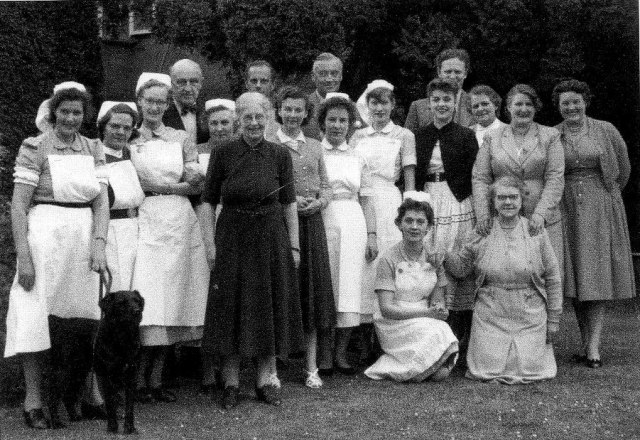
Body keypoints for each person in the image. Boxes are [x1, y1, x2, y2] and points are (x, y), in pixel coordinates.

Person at [5, 85, 108, 429]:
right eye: (64, 111)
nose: (70, 118)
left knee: (84, 319)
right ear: (52, 113)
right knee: (35, 315)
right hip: (45, 238)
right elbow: (19, 206)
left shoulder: (93, 148)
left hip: (82, 241)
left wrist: (99, 243)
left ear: (85, 115)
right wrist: (25, 257)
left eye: (77, 112)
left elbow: (101, 202)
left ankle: (78, 396)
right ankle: (33, 400)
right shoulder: (35, 146)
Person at [200, 92, 304, 409]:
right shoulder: (223, 154)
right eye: (248, 117)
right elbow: (207, 203)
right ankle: (231, 383)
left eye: (260, 117)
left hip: (270, 237)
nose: (254, 123)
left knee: (266, 305)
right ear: (238, 120)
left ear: (268, 118)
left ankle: (264, 380)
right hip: (231, 236)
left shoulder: (280, 155)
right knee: (231, 307)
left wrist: (294, 244)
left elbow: (289, 205)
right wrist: (209, 244)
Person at [129, 73, 209, 403]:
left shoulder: (180, 137)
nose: (155, 107)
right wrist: (154, 190)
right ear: (139, 103)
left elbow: (196, 183)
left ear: (167, 104)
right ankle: (137, 381)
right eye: (150, 101)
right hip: (144, 219)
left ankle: (158, 379)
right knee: (149, 297)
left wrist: (161, 188)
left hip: (178, 218)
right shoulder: (128, 135)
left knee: (175, 296)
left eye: (161, 102)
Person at [445, 176, 562, 384]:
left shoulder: (536, 231)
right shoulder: (482, 231)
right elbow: (461, 269)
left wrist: (553, 321)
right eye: (501, 198)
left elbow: (553, 278)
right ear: (493, 202)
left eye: (513, 197)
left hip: (529, 313)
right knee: (488, 368)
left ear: (521, 200)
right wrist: (442, 254)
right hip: (491, 313)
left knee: (527, 369)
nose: (508, 202)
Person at [552, 79, 636, 368]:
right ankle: (585, 341)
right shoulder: (553, 134)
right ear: (559, 107)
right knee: (576, 274)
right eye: (566, 103)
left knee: (596, 273)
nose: (571, 106)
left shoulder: (605, 129)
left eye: (576, 101)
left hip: (600, 205)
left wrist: (607, 197)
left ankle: (594, 348)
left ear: (585, 101)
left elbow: (623, 167)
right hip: (565, 206)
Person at [413, 78, 478, 368]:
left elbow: (476, 175)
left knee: (455, 262)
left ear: (455, 103)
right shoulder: (419, 135)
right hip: (428, 197)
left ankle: (457, 338)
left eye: (447, 100)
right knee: (428, 258)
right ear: (429, 103)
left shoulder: (466, 135)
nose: (441, 104)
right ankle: (429, 337)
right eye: (436, 99)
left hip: (457, 200)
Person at [351, 79, 416, 361]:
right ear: (367, 106)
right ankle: (363, 336)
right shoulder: (357, 137)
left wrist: (409, 206)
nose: (379, 108)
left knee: (388, 267)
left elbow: (409, 175)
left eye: (385, 103)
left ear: (393, 106)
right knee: (364, 267)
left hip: (390, 200)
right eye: (374, 103)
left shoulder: (404, 135)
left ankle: (390, 336)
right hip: (361, 202)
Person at [274, 86, 335, 388]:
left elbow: (327, 185)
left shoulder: (314, 145)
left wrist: (319, 202)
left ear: (306, 113)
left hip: (311, 226)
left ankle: (311, 367)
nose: (293, 115)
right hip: (280, 225)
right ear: (279, 111)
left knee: (310, 294)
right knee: (280, 292)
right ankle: (271, 367)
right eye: (288, 109)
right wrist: (291, 201)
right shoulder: (271, 143)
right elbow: (268, 186)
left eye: (299, 110)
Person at [364, 196, 458, 382]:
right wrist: (426, 313)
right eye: (409, 221)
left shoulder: (433, 257)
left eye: (420, 222)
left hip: (424, 316)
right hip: (394, 320)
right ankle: (405, 365)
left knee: (442, 328)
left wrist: (438, 308)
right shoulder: (388, 259)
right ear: (399, 224)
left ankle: (426, 366)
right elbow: (386, 309)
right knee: (435, 332)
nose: (414, 227)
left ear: (429, 227)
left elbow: (437, 302)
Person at [472, 84, 565, 269]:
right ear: (508, 108)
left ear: (535, 107)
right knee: (504, 271)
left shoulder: (550, 135)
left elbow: (555, 177)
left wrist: (541, 213)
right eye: (518, 104)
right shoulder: (492, 137)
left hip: (540, 217)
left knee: (545, 272)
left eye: (529, 104)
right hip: (502, 215)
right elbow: (480, 178)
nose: (523, 109)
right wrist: (483, 214)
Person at [319, 93, 378, 375]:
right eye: (332, 119)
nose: (337, 125)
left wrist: (373, 234)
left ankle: (341, 353)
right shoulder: (314, 152)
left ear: (350, 124)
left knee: (350, 287)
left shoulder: (358, 156)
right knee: (326, 284)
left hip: (353, 220)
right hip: (323, 219)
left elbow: (366, 198)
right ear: (322, 122)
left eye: (343, 120)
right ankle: (323, 354)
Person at [196, 98, 237, 394]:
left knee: (228, 294)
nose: (220, 128)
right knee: (205, 292)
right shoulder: (197, 152)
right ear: (206, 125)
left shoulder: (240, 151)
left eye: (225, 122)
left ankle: (229, 365)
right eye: (214, 123)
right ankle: (206, 365)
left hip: (234, 220)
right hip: (204, 219)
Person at [97, 101, 145, 291]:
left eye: (126, 128)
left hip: (135, 229)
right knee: (115, 286)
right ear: (103, 126)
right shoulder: (95, 156)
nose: (120, 132)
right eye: (114, 126)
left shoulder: (130, 155)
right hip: (110, 231)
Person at [405, 48, 474, 133]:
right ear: (439, 72)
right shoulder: (418, 107)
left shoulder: (476, 106)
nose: (452, 76)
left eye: (457, 72)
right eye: (448, 72)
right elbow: (407, 141)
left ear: (465, 73)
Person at [164, 59, 209, 145]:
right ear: (171, 84)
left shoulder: (207, 113)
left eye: (193, 82)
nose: (188, 89)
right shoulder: (161, 113)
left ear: (201, 83)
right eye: (181, 82)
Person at [304, 53, 345, 141]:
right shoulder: (303, 106)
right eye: (323, 74)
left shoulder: (352, 107)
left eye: (334, 74)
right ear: (313, 77)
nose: (329, 79)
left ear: (341, 76)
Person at [245, 60, 279, 141]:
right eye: (254, 81)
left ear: (272, 85)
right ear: (246, 84)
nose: (258, 85)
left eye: (264, 81)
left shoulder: (282, 116)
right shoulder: (236, 115)